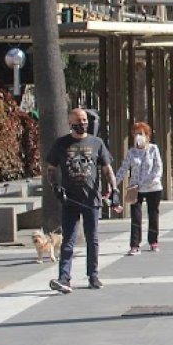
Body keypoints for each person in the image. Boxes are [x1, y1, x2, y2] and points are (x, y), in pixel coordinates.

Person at [47, 108, 115, 293]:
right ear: (70, 123)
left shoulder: (96, 143)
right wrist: (55, 186)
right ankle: (64, 278)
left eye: (84, 119)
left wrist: (114, 190)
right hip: (70, 199)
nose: (83, 123)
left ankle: (93, 275)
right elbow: (51, 168)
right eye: (78, 120)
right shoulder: (61, 144)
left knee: (92, 239)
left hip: (91, 200)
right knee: (68, 239)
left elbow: (107, 168)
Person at [115, 121, 164, 255]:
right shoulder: (132, 152)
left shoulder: (153, 149)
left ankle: (153, 241)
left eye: (141, 134)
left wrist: (155, 179)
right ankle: (135, 245)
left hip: (153, 187)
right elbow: (124, 168)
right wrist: (114, 182)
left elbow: (158, 166)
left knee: (153, 214)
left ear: (147, 135)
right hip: (136, 188)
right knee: (136, 217)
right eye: (135, 134)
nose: (138, 136)